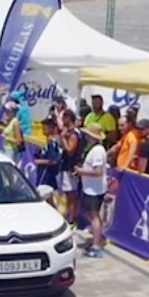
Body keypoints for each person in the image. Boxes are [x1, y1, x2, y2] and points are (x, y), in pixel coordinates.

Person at [76, 124, 108, 258]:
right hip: (93, 188)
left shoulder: (97, 152)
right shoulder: (96, 150)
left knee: (94, 217)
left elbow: (98, 172)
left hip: (93, 190)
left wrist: (81, 171)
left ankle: (96, 245)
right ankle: (98, 240)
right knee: (95, 216)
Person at [57, 110, 82, 225]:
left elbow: (71, 150)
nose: (62, 121)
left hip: (71, 168)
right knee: (67, 193)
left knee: (71, 194)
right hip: (65, 166)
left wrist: (63, 138)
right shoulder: (68, 133)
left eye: (63, 118)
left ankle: (72, 219)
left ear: (68, 118)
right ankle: (70, 215)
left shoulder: (74, 134)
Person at [34, 117, 62, 192]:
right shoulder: (46, 141)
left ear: (51, 128)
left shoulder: (51, 142)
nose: (43, 128)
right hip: (43, 173)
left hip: (47, 175)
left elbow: (54, 160)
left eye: (45, 127)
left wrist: (39, 162)